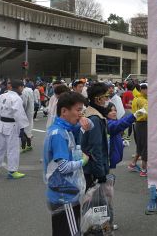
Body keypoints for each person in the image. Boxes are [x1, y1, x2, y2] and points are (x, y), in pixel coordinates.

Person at [43, 91, 91, 236]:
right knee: (71, 232)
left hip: (63, 193)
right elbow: (63, 167)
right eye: (78, 110)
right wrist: (83, 160)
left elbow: (90, 125)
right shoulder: (59, 134)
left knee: (62, 231)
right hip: (64, 196)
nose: (80, 114)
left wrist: (86, 122)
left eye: (82, 111)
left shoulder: (65, 128)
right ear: (64, 111)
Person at [0, 80, 29, 179]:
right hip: (12, 125)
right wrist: (22, 128)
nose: (22, 89)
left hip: (2, 124)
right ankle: (12, 171)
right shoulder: (17, 98)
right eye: (22, 87)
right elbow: (18, 114)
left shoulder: (3, 95)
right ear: (19, 87)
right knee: (13, 148)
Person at [81, 82, 110, 190]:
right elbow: (95, 147)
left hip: (88, 166)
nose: (108, 100)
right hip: (92, 169)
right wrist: (100, 172)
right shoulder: (95, 119)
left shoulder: (89, 113)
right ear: (98, 99)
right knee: (93, 201)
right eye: (106, 97)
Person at [105, 103, 138, 169]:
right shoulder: (108, 124)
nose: (114, 112)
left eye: (115, 110)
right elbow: (119, 124)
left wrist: (122, 143)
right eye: (111, 111)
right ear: (105, 113)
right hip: (109, 159)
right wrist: (133, 116)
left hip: (112, 159)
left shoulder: (112, 121)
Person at [128, 83, 148, 177]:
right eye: (147, 89)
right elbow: (147, 113)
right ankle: (144, 170)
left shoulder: (136, 98)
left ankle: (133, 164)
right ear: (142, 90)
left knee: (140, 146)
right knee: (145, 146)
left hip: (137, 124)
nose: (149, 92)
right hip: (144, 124)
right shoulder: (143, 100)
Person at [20, 84, 35, 152]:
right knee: (28, 129)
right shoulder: (30, 91)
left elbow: (24, 103)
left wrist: (21, 112)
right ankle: (29, 145)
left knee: (23, 130)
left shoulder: (24, 92)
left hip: (25, 113)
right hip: (30, 112)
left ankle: (23, 147)